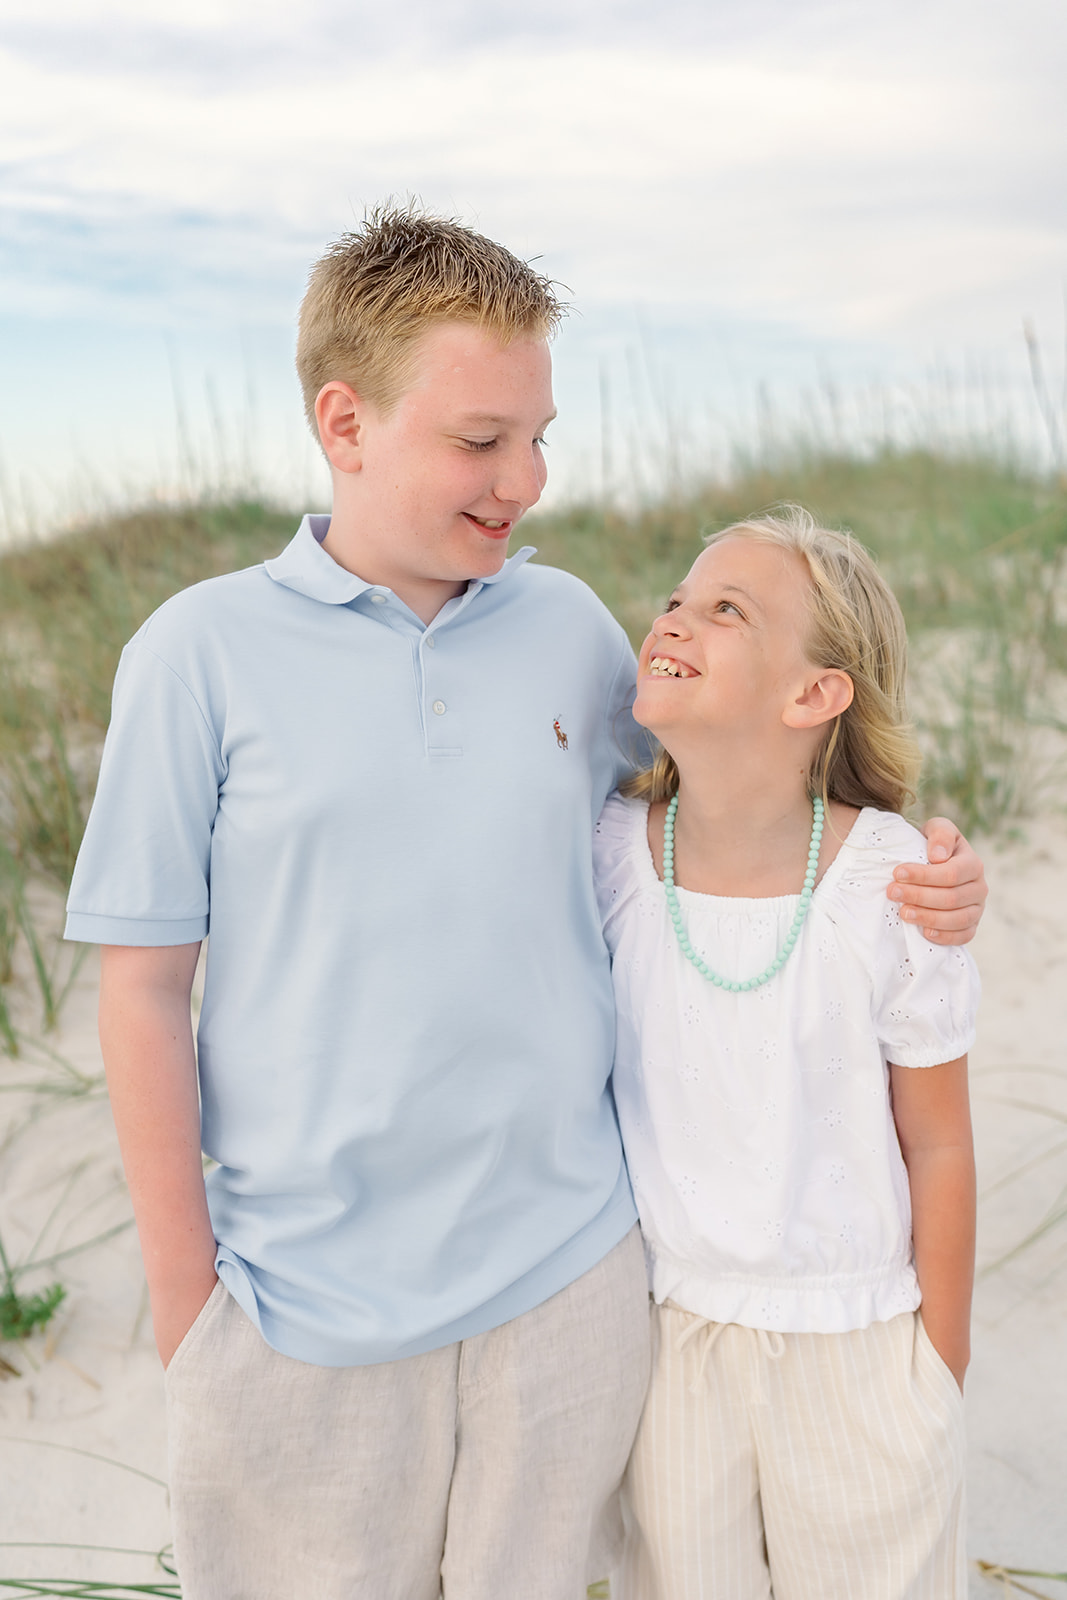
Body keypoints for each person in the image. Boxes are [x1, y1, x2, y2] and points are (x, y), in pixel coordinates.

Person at [64, 209, 985, 1600]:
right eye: (480, 441)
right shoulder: (196, 655)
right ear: (344, 419)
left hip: (571, 1288)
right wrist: (191, 1304)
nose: (525, 480)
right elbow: (139, 988)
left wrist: (925, 871)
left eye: (539, 437)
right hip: (300, 1310)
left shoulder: (564, 633)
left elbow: (726, 815)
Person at [595, 507, 978, 1600]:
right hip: (673, 1344)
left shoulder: (893, 884)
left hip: (857, 1340)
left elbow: (937, 1143)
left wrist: (932, 1373)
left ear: (812, 695)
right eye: (677, 596)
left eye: (728, 609)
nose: (675, 616)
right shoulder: (612, 855)